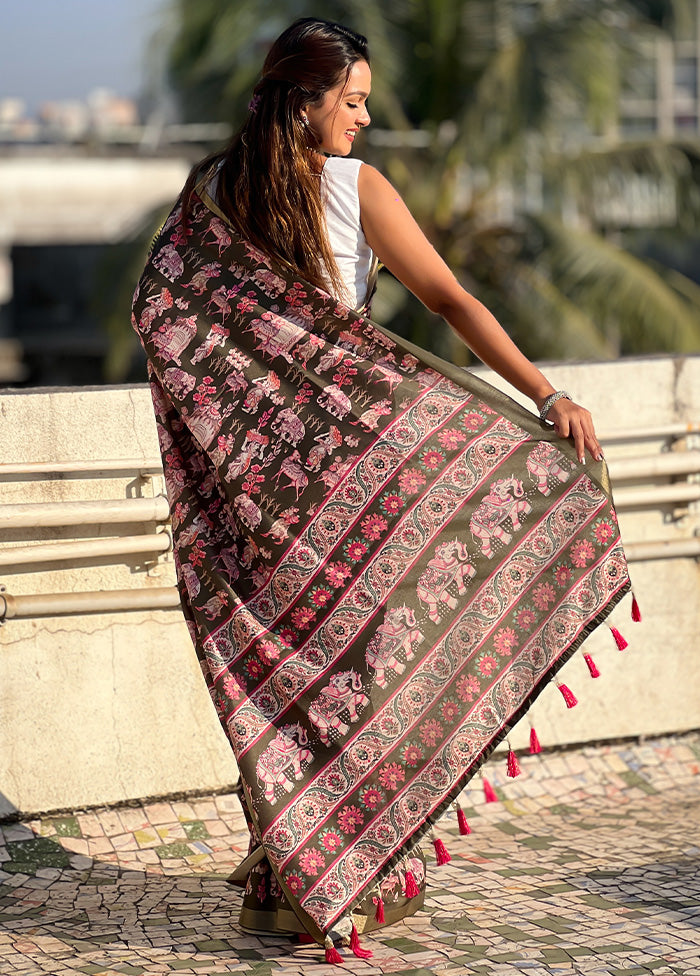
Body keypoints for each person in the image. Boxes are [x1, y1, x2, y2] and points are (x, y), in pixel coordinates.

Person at [133, 17, 631, 962]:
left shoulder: (207, 195)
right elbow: (447, 300)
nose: (364, 118)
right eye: (352, 100)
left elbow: (156, 310)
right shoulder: (354, 189)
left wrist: (229, 426)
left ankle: (284, 883)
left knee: (282, 678)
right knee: (358, 673)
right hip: (349, 475)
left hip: (250, 492)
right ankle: (344, 888)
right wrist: (546, 393)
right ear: (303, 98)